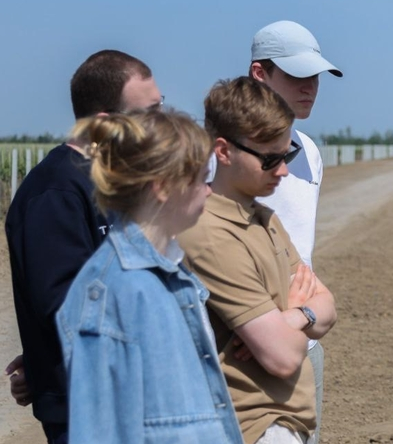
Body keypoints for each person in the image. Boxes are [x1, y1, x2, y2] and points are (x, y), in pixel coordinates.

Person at [56, 109, 244, 443]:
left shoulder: (171, 273)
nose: (209, 191)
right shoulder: (113, 292)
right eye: (202, 179)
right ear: (163, 187)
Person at [4, 49, 162, 443]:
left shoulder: (111, 181)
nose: (160, 125)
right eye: (148, 114)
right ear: (106, 124)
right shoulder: (55, 192)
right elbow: (69, 309)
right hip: (86, 410)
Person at [179, 76, 337, 444]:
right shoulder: (210, 233)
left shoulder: (265, 220)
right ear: (223, 151)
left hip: (285, 422)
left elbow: (328, 307)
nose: (282, 171)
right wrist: (300, 317)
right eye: (270, 159)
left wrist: (295, 315)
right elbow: (282, 356)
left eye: (287, 156)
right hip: (252, 428)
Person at [249, 20, 342, 443]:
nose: (310, 87)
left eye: (315, 77)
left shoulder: (310, 152)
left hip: (304, 345)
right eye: (296, 75)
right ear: (259, 73)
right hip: (244, 348)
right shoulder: (218, 155)